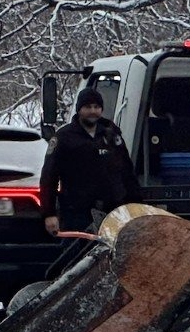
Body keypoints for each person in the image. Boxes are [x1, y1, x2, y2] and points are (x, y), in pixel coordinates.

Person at [41, 82, 140, 235]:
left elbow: (127, 173)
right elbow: (49, 177)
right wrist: (49, 214)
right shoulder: (64, 137)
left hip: (113, 212)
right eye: (88, 107)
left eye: (96, 107)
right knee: (78, 256)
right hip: (77, 214)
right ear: (79, 109)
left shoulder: (112, 134)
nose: (92, 111)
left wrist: (136, 206)